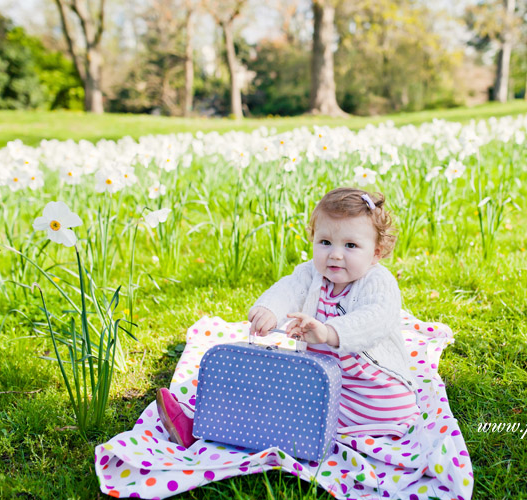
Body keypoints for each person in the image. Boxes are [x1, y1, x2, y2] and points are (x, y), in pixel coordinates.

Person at [156, 187, 419, 448]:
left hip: (372, 391)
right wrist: (269, 309)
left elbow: (375, 319)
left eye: (351, 245)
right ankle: (205, 424)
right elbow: (289, 289)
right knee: (275, 391)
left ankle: (218, 428)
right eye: (325, 242)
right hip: (324, 382)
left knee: (281, 407)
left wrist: (329, 332)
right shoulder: (312, 274)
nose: (335, 254)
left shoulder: (377, 281)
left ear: (376, 252)